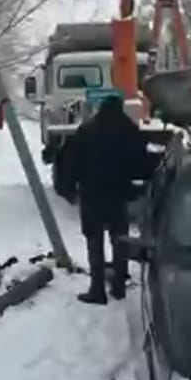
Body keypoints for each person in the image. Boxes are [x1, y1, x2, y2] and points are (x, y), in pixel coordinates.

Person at [62, 95, 153, 305]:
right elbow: (142, 162)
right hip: (119, 194)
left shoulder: (87, 130)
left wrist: (68, 188)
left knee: (94, 240)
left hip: (92, 194)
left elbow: (71, 161)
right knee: (119, 238)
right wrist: (139, 184)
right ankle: (119, 286)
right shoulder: (129, 130)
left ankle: (97, 289)